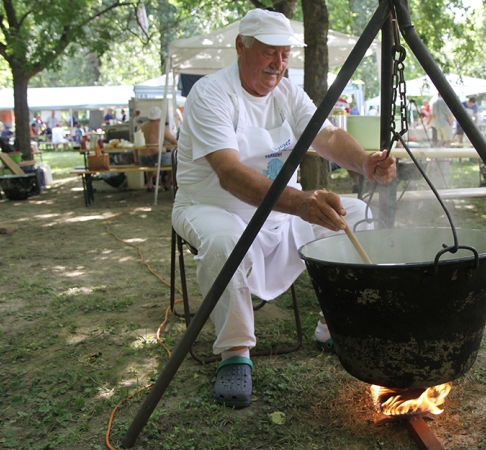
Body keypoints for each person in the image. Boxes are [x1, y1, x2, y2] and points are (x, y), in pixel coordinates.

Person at [171, 9, 396, 408]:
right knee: (225, 241)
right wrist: (299, 202)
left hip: (281, 213)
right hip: (211, 207)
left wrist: (365, 163)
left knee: (358, 214)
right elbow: (228, 173)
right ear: (242, 46)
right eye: (269, 53)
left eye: (286, 54)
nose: (278, 64)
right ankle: (235, 354)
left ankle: (333, 326)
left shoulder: (287, 93)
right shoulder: (211, 94)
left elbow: (325, 135)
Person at [139, 106, 178, 192]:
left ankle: (149, 184)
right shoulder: (161, 127)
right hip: (158, 158)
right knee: (173, 158)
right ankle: (168, 183)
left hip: (142, 158)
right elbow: (174, 142)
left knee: (150, 164)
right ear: (160, 117)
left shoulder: (141, 127)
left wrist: (135, 159)